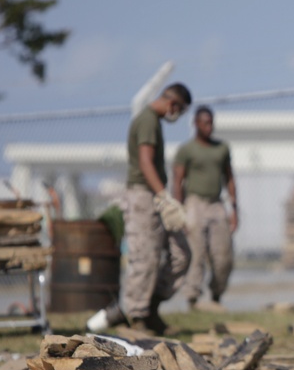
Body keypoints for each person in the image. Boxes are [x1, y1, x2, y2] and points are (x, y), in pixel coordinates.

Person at [87, 83, 193, 336]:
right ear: (173, 104)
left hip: (153, 196)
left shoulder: (152, 121)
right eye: (179, 110)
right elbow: (145, 162)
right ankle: (136, 317)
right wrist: (163, 197)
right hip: (143, 197)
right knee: (145, 258)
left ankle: (151, 308)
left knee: (181, 254)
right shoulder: (147, 120)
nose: (177, 116)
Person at [172, 105, 238, 310]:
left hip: (216, 204)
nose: (209, 127)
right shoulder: (186, 150)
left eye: (211, 122)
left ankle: (217, 294)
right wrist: (180, 212)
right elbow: (178, 181)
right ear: (196, 124)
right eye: (205, 123)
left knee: (223, 255)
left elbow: (229, 178)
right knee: (196, 253)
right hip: (194, 204)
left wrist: (234, 209)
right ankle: (192, 298)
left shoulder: (222, 148)